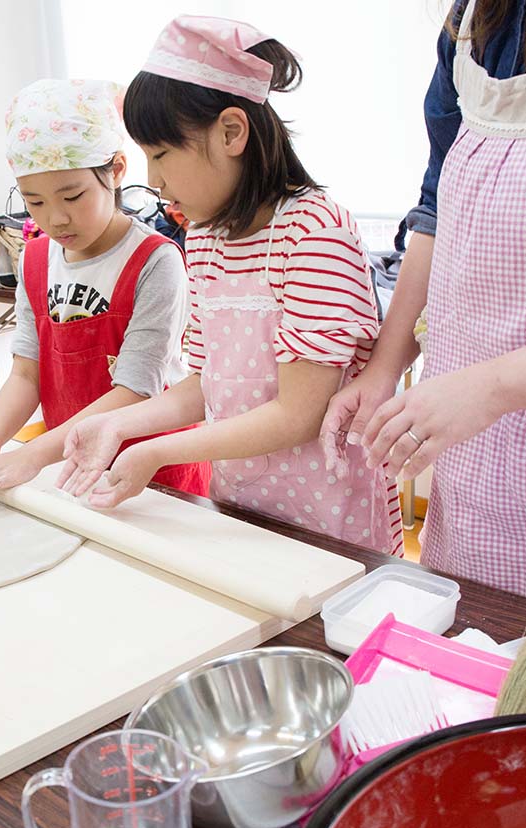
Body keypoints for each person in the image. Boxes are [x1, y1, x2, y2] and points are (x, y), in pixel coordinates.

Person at [321, 0, 526, 634]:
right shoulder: (474, 18)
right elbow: (436, 205)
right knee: (476, 652)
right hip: (479, 473)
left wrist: (492, 386)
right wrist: (385, 367)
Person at [57, 16, 402, 555]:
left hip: (328, 515)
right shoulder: (207, 237)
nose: (157, 180)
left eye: (163, 154)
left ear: (232, 132)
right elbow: (206, 383)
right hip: (242, 506)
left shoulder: (315, 230)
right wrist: (120, 425)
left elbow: (298, 414)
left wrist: (157, 452)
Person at [0, 79, 209, 498]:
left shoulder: (155, 261)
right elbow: (26, 374)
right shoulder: (35, 259)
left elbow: (134, 390)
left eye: (72, 197)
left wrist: (33, 454)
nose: (55, 219)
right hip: (73, 460)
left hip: (153, 470)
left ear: (115, 171)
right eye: (34, 202)